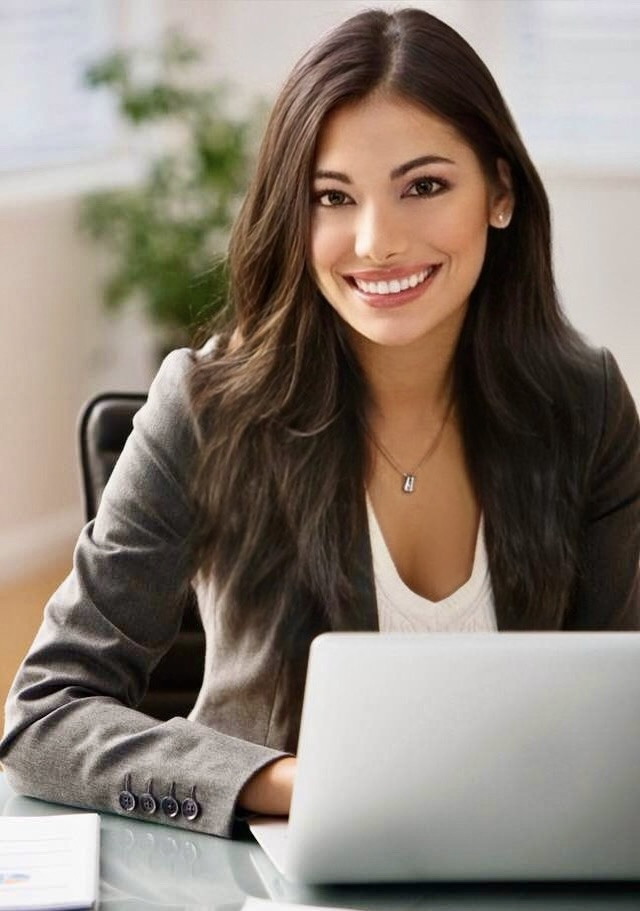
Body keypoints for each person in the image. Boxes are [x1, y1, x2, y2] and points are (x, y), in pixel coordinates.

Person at [2, 8, 639, 838]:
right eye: (332, 198)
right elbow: (44, 718)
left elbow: (620, 703)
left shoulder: (584, 406)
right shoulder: (208, 409)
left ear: (501, 193)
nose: (376, 242)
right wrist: (288, 781)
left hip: (532, 876)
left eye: (424, 186)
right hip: (271, 890)